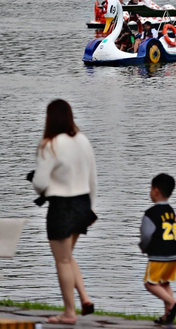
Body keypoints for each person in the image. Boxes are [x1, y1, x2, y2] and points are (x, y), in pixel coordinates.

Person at [31, 100, 98, 324]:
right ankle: (85, 297)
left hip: (61, 205)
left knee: (62, 260)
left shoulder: (49, 144)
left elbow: (39, 183)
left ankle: (69, 312)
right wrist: (91, 209)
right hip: (82, 203)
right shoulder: (82, 140)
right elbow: (92, 178)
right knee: (67, 256)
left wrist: (46, 183)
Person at [139, 174, 176, 325]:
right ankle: (166, 316)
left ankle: (172, 302)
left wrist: (144, 248)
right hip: (174, 254)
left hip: (159, 254)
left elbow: (146, 235)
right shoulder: (172, 212)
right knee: (164, 283)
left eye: (150, 188)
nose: (150, 191)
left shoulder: (151, 213)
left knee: (150, 283)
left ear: (156, 191)